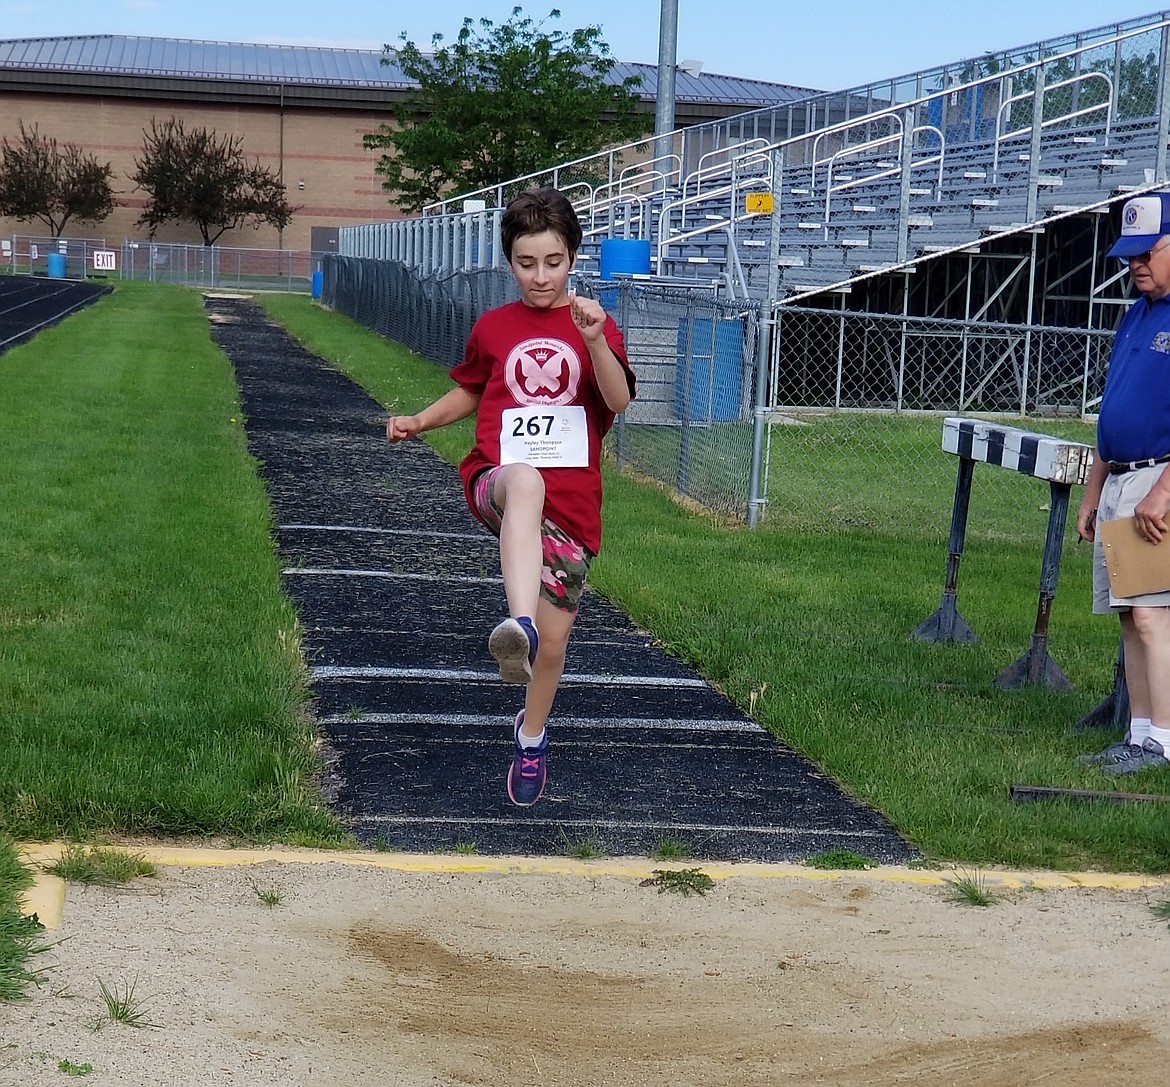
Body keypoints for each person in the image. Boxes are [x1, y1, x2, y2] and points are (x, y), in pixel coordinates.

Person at [385, 187, 636, 806]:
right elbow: (473, 390)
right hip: (497, 478)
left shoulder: (596, 328)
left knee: (553, 648)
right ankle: (516, 618)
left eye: (552, 262)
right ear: (510, 262)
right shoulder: (494, 326)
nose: (540, 276)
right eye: (527, 264)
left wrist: (598, 341)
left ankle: (530, 735)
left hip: (574, 502)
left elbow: (618, 402)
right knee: (524, 480)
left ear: (572, 257)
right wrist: (419, 420)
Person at [1075, 191, 1170, 776]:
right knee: (1126, 613)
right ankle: (1137, 736)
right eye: (1130, 257)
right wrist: (1093, 490)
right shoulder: (1136, 315)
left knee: (1151, 616)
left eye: (1149, 253)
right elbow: (1113, 409)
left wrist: (1164, 493)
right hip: (1120, 479)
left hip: (1156, 480)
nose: (1137, 266)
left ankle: (1163, 740)